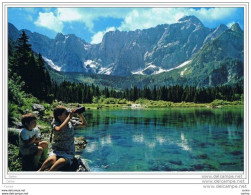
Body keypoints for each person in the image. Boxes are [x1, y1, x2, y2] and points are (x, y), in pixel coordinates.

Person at [38, 105, 87, 171]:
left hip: (68, 152)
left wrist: (80, 114)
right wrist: (69, 116)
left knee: (61, 161)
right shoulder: (55, 123)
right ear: (59, 116)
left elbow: (84, 124)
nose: (67, 114)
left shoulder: (70, 122)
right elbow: (59, 129)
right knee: (51, 160)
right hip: (57, 150)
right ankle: (40, 171)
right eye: (65, 113)